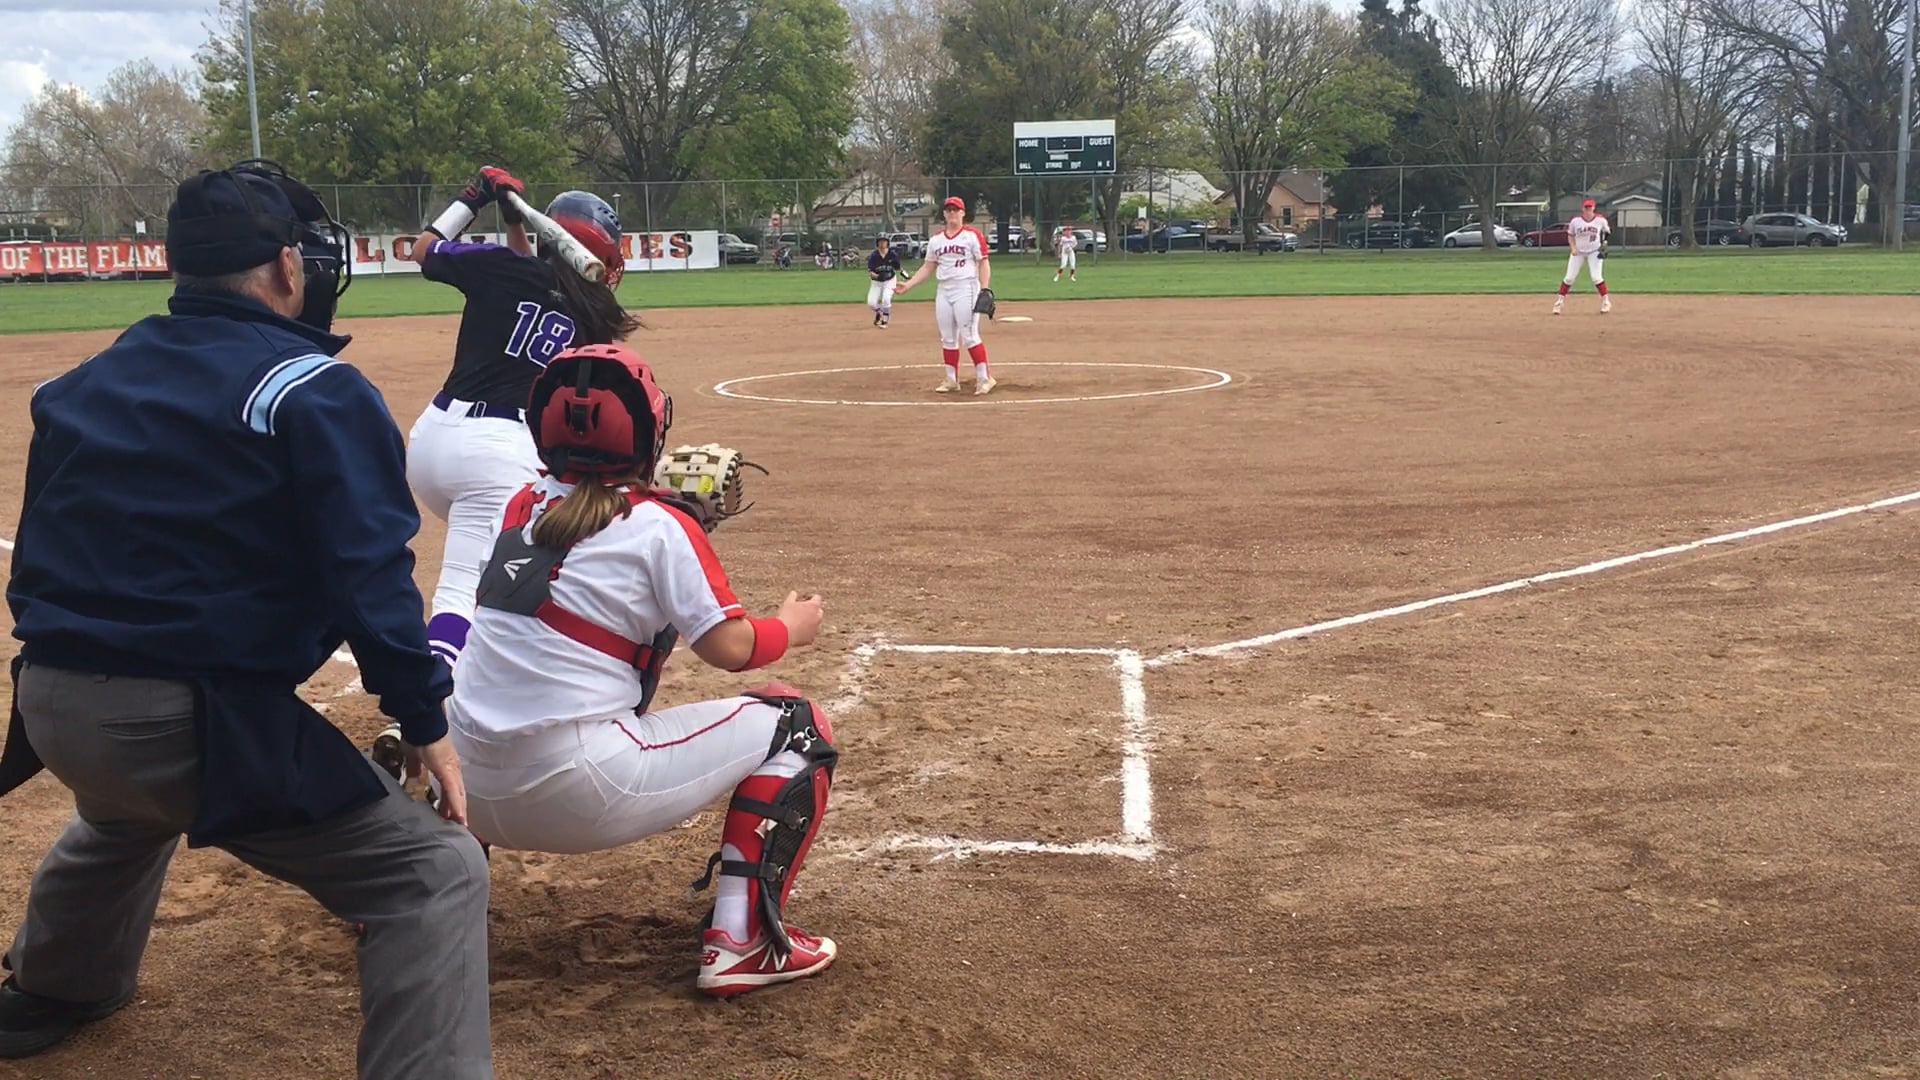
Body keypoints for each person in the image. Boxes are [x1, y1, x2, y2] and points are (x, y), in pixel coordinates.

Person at [0, 161, 491, 1078]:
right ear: (286, 267)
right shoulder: (312, 388)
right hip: (175, 725)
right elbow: (370, 573)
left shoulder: (84, 379)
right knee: (433, 874)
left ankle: (55, 984)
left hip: (49, 706)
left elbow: (39, 555)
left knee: (123, 810)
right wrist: (421, 716)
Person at [442, 342, 839, 999]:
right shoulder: (661, 526)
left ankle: (430, 913)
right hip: (579, 790)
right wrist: (789, 626)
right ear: (649, 432)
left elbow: (584, 550)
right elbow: (729, 647)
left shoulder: (520, 504)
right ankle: (742, 943)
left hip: (464, 790)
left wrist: (668, 514)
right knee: (797, 724)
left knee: (461, 702)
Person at [402, 167, 641, 672]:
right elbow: (541, 285)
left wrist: (474, 198)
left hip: (431, 441)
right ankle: (428, 700)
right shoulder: (598, 316)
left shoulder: (501, 268)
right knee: (462, 590)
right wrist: (515, 221)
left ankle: (485, 644)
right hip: (498, 457)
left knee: (498, 555)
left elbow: (423, 250)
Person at [893, 196, 995, 395]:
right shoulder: (936, 240)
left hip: (966, 287)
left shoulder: (971, 236)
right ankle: (951, 380)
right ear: (944, 214)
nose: (952, 213)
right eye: (948, 210)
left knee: (969, 335)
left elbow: (983, 262)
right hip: (944, 289)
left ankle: (985, 378)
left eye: (955, 210)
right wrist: (909, 284)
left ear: (963, 213)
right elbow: (928, 266)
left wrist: (985, 289)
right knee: (948, 337)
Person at [1554, 198, 1611, 315]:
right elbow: (1570, 235)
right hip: (1578, 252)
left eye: (1590, 207)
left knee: (1596, 277)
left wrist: (1604, 243)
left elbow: (1607, 232)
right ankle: (1559, 303)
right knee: (1569, 278)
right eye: (1586, 207)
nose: (1588, 210)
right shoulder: (1576, 221)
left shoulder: (1600, 220)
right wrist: (1573, 248)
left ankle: (1606, 302)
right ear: (1582, 208)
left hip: (1594, 251)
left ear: (1594, 208)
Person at [866, 235, 901, 327]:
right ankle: (879, 313)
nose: (882, 243)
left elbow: (898, 268)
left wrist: (905, 275)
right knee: (871, 303)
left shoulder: (892, 255)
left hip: (890, 280)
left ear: (887, 243)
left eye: (884, 241)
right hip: (876, 282)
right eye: (880, 242)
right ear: (877, 243)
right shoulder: (874, 256)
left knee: (886, 298)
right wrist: (878, 276)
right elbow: (870, 272)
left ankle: (885, 319)